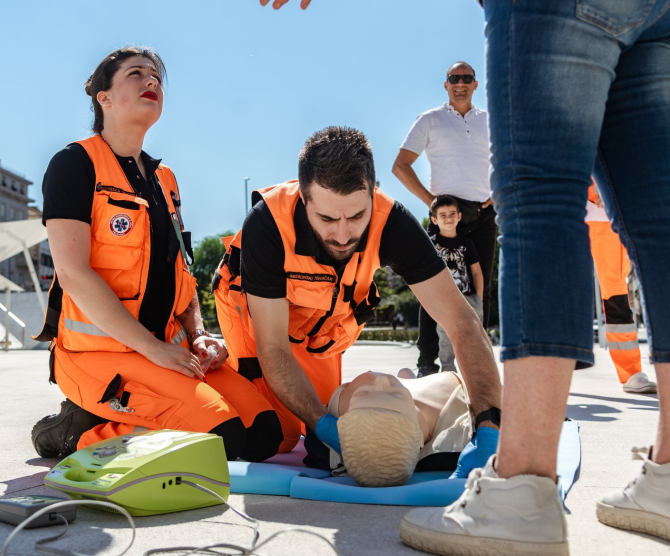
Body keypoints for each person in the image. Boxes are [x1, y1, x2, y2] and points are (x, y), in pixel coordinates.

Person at [250, 0, 670, 556]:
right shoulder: (287, 217)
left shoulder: (386, 214)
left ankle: (522, 491)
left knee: (539, 204)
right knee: (662, 208)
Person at [30, 46, 283, 463]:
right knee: (223, 439)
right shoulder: (75, 163)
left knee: (268, 434)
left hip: (166, 351)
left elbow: (181, 273)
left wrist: (199, 335)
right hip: (98, 356)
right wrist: (152, 348)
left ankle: (132, 411)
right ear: (104, 97)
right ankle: (80, 431)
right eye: (136, 74)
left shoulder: (165, 180)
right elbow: (73, 273)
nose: (151, 81)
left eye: (156, 77)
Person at [212, 126, 502, 477]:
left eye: (357, 216)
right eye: (327, 218)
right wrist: (322, 425)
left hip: (317, 326)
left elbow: (461, 321)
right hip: (258, 317)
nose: (343, 235)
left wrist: (490, 426)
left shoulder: (393, 223)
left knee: (334, 414)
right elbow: (273, 347)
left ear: (372, 194)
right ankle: (206, 370)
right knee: (276, 434)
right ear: (304, 199)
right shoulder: (268, 225)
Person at [392, 61, 495, 375]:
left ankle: (476, 364)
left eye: (466, 78)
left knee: (480, 290)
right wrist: (432, 203)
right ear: (446, 84)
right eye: (454, 78)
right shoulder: (430, 119)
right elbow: (400, 165)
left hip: (483, 215)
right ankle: (427, 363)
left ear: (475, 84)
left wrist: (498, 192)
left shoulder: (490, 121)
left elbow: (511, 159)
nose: (460, 83)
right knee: (433, 288)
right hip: (445, 217)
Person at [328, 369, 472, 487]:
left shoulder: (341, 406)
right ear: (419, 437)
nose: (381, 380)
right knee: (404, 374)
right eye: (395, 394)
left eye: (363, 392)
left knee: (403, 374)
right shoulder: (461, 423)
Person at [587, 183, 657, 394]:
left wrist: (607, 189)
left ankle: (631, 372)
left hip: (603, 216)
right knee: (557, 288)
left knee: (616, 295)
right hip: (562, 209)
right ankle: (550, 365)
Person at [426, 196, 483, 374]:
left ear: (459, 217)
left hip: (467, 299)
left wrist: (479, 299)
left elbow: (477, 272)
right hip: (443, 301)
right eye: (442, 215)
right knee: (445, 339)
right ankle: (448, 374)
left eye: (452, 214)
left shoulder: (466, 243)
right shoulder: (431, 243)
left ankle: (474, 373)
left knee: (473, 337)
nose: (448, 218)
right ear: (434, 220)